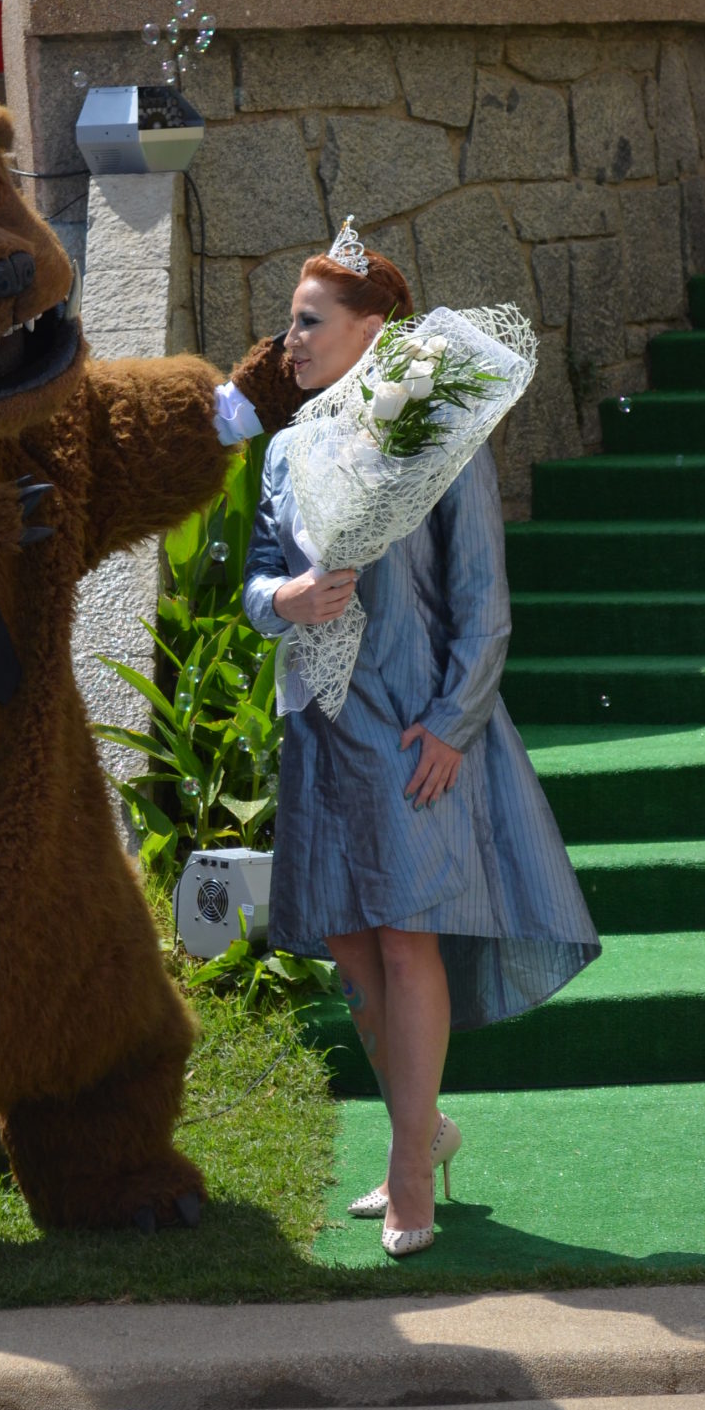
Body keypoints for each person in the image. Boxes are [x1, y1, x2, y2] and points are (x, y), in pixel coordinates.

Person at [242, 237, 600, 1258]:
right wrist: (287, 598)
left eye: (311, 320)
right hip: (319, 726)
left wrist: (452, 723)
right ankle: (428, 1127)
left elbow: (485, 602)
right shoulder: (286, 449)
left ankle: (409, 1178)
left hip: (414, 729)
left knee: (407, 935)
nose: (290, 339)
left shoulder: (444, 437)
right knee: (353, 945)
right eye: (292, 318)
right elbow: (258, 582)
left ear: (374, 333)